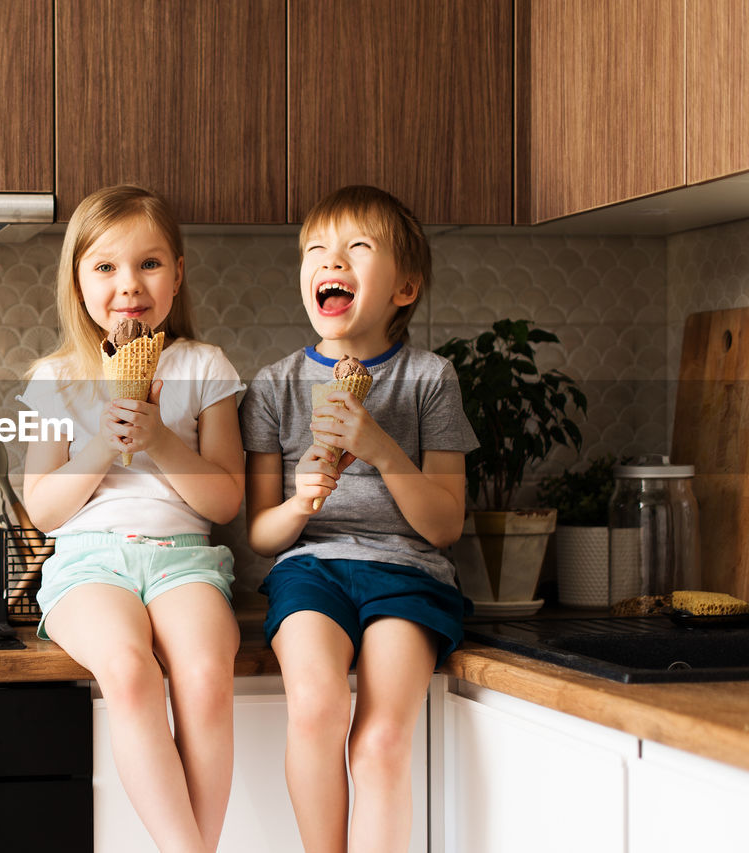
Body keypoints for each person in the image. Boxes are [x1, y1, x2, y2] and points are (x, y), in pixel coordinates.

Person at [239, 185, 477, 853]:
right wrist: (298, 501)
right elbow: (260, 534)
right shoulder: (275, 386)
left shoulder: (432, 378)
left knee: (380, 742)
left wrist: (378, 445)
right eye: (316, 250)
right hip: (310, 571)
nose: (330, 261)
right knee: (316, 710)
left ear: (404, 288)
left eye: (356, 248)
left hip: (409, 574)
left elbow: (445, 525)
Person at [18, 184, 245, 853]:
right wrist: (102, 441)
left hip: (185, 558)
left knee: (206, 675)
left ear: (178, 273)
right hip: (88, 563)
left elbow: (226, 500)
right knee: (127, 667)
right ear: (78, 280)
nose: (129, 286)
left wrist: (161, 440)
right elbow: (45, 507)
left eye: (149, 264)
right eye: (106, 267)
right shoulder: (57, 377)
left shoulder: (204, 367)